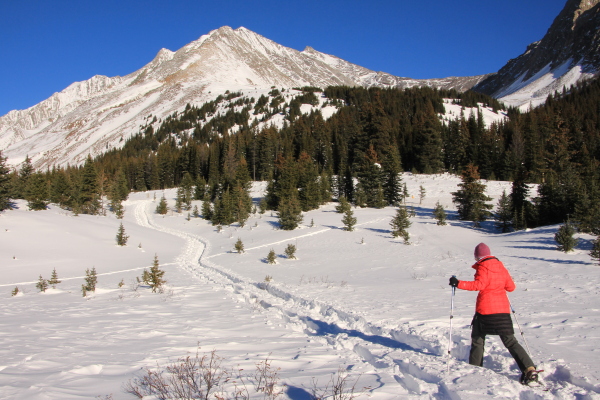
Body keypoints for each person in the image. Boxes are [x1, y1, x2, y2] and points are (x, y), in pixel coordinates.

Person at [449, 243, 538, 385]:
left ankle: (475, 370)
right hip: (503, 311)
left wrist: (458, 283)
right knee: (510, 341)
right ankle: (529, 369)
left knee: (478, 339)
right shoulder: (500, 266)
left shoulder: (483, 267)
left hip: (485, 310)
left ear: (477, 256)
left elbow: (478, 285)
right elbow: (511, 287)